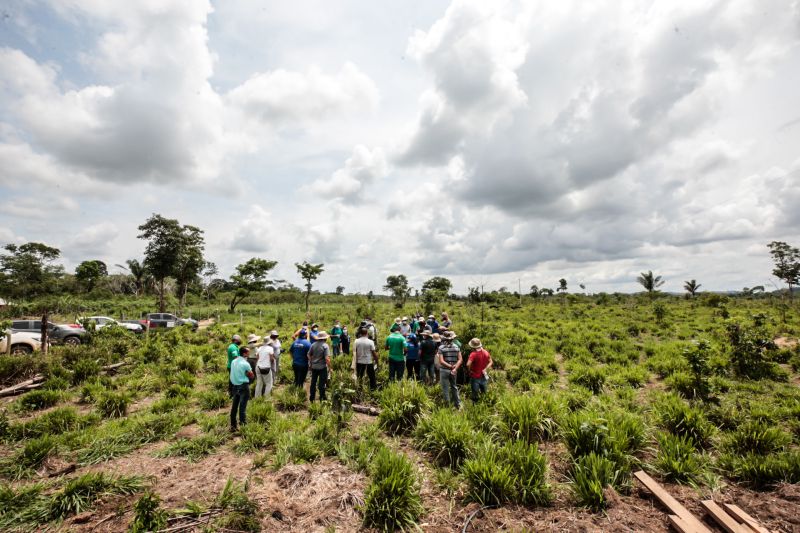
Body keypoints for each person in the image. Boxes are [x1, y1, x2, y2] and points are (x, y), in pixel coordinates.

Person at [230, 346, 254, 432]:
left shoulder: (233, 361)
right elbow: (251, 375)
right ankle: (243, 426)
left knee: (234, 407)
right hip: (243, 386)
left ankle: (233, 425)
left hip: (235, 386)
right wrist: (248, 374)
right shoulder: (245, 363)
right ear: (244, 353)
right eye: (248, 352)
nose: (249, 353)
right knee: (242, 408)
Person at [437, 331, 462, 409]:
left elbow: (441, 361)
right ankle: (458, 405)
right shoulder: (456, 347)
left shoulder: (441, 347)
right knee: (454, 387)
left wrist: (450, 366)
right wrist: (454, 368)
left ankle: (447, 406)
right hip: (454, 370)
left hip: (444, 370)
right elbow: (460, 359)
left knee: (445, 388)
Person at [466, 338, 493, 402]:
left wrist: (469, 370)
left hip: (475, 376)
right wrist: (485, 369)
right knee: (484, 392)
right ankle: (484, 404)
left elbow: (467, 364)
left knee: (475, 394)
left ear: (472, 346)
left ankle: (475, 407)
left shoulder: (473, 354)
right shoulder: (485, 352)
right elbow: (491, 362)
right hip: (483, 375)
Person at [308, 331, 331, 402]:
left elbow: (308, 354)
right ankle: (322, 398)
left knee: (313, 383)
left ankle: (312, 398)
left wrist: (312, 361)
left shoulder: (313, 345)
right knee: (322, 383)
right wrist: (330, 367)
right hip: (322, 367)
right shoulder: (325, 346)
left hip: (314, 367)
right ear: (325, 338)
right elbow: (327, 358)